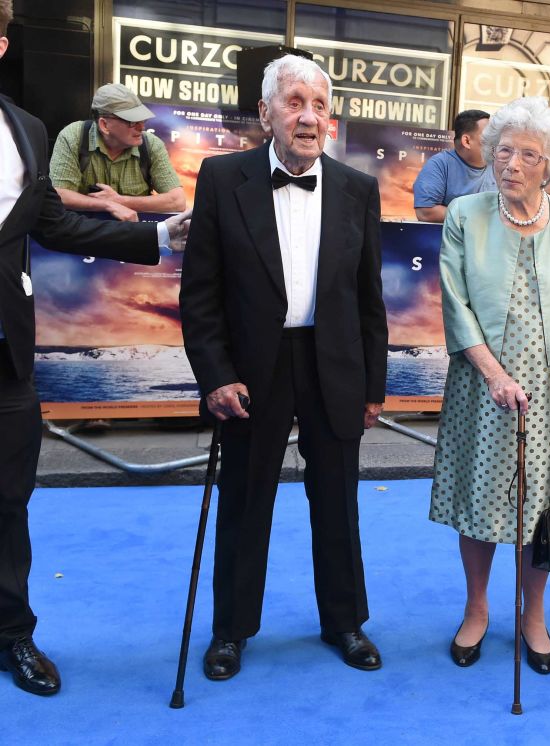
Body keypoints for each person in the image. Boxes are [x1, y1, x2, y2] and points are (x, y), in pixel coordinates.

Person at [0, 1, 190, 697]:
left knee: (7, 506)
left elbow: (53, 223)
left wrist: (159, 238)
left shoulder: (23, 130)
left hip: (6, 357)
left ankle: (11, 635)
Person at [179, 54, 388, 681]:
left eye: (319, 105)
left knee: (338, 502)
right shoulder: (221, 179)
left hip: (333, 365)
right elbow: (200, 293)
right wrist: (215, 374)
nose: (308, 116)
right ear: (266, 111)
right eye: (295, 102)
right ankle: (231, 631)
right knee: (245, 502)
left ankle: (345, 622)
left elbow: (369, 299)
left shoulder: (358, 188)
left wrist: (373, 385)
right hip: (251, 370)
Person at [430, 96, 550, 676]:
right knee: (478, 500)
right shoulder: (464, 215)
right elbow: (455, 304)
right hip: (482, 386)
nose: (513, 163)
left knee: (540, 507)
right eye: (503, 150)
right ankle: (476, 609)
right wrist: (494, 373)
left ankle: (533, 614)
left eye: (529, 153)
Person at [48, 83, 185, 222]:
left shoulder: (151, 145)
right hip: (84, 233)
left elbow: (177, 201)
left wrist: (120, 200)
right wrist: (108, 204)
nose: (141, 127)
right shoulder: (75, 137)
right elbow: (59, 194)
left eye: (142, 120)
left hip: (133, 233)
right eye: (132, 121)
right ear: (104, 125)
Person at [413, 109, 490, 222]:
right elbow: (425, 212)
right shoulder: (440, 165)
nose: (495, 141)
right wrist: (476, 216)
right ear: (467, 141)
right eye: (489, 136)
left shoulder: (503, 166)